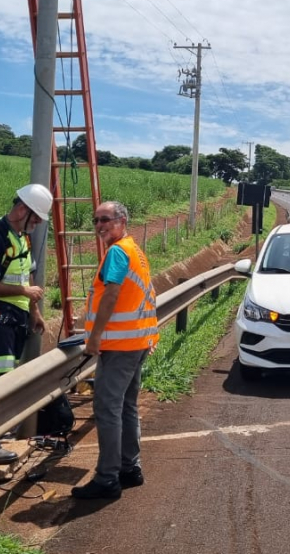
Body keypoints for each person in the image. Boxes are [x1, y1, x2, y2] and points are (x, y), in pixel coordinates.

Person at [72, 201, 160, 500]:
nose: (99, 226)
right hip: (137, 342)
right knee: (126, 406)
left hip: (120, 346)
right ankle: (129, 469)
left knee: (107, 409)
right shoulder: (134, 249)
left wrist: (94, 337)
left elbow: (111, 294)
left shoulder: (117, 252)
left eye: (106, 220)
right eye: (96, 220)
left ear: (122, 220)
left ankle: (107, 478)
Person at [0, 183, 51, 463]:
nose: (38, 222)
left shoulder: (21, 239)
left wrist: (34, 312)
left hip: (14, 320)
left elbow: (26, 278)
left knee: (5, 380)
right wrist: (24, 293)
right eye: (36, 216)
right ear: (21, 210)